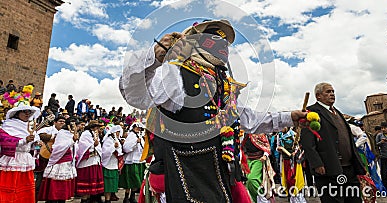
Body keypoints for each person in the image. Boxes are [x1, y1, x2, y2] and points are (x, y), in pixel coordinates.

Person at [120, 19, 306, 202]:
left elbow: (248, 119)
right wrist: (153, 57)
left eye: (224, 42)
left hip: (220, 174)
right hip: (185, 173)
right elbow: (136, 95)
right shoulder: (176, 73)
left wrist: (289, 118)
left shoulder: (224, 85)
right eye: (214, 39)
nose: (223, 45)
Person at [300, 82, 366, 203]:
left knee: (354, 200)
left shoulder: (338, 112)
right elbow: (307, 142)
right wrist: (317, 164)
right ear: (318, 95)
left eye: (333, 91)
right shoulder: (311, 112)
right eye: (328, 92)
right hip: (328, 169)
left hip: (349, 169)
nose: (332, 94)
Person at [0, 103, 38, 202]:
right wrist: (24, 140)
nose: (27, 114)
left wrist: (36, 144)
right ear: (17, 113)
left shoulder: (30, 127)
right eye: (24, 111)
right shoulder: (8, 126)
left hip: (25, 160)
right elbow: (5, 140)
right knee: (10, 187)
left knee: (25, 189)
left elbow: (32, 146)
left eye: (29, 112)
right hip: (12, 159)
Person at [37, 118, 79, 203]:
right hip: (59, 162)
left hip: (67, 163)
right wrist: (72, 141)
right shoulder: (62, 133)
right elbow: (58, 148)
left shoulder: (71, 134)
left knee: (63, 189)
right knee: (55, 187)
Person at [34, 115, 65, 199]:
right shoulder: (48, 129)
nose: (62, 123)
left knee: (53, 180)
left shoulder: (65, 131)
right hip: (45, 156)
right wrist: (53, 137)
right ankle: (35, 197)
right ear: (55, 122)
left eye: (63, 121)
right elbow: (39, 135)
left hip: (58, 158)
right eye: (60, 121)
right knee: (41, 177)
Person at [76, 120, 104, 203]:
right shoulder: (86, 134)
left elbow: (98, 146)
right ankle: (84, 200)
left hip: (95, 161)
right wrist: (93, 146)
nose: (98, 128)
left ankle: (92, 198)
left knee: (93, 182)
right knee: (87, 183)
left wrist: (96, 146)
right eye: (97, 126)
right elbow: (83, 146)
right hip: (87, 162)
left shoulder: (95, 134)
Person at [241, 133, 273, 203]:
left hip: (258, 159)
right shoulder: (245, 134)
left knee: (252, 179)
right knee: (248, 183)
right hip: (248, 160)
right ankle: (257, 200)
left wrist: (265, 155)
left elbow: (267, 146)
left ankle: (263, 198)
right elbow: (242, 147)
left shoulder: (260, 133)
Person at [120, 122, 146, 203]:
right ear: (133, 128)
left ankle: (132, 196)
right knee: (129, 180)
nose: (138, 129)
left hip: (139, 160)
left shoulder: (140, 136)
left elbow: (143, 148)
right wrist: (135, 142)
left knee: (137, 180)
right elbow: (126, 148)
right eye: (137, 128)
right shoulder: (131, 135)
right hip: (131, 161)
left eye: (139, 128)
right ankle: (126, 197)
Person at [102, 125, 123, 203]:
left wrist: (117, 149)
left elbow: (120, 150)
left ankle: (110, 197)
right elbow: (105, 152)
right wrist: (113, 147)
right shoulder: (107, 140)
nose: (118, 134)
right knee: (107, 184)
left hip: (114, 164)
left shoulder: (116, 140)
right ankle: (107, 200)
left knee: (112, 184)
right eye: (117, 132)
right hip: (108, 164)